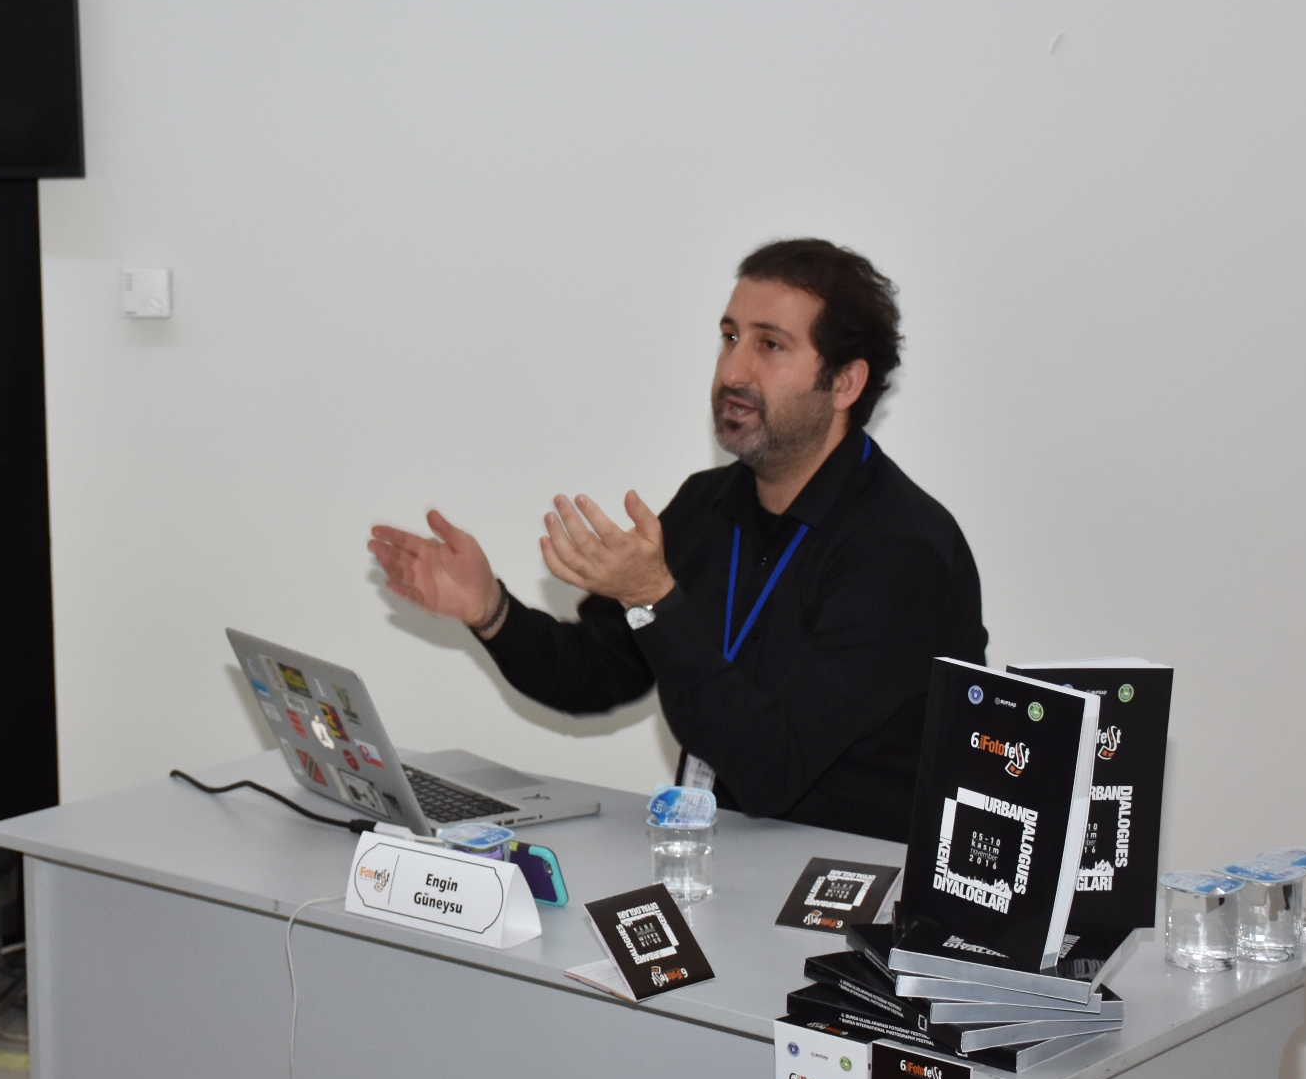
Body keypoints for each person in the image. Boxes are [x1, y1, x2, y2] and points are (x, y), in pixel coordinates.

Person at [367, 239, 987, 843]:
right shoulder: (708, 504)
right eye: (730, 337)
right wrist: (490, 610)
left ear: (845, 382)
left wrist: (654, 599)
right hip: (723, 860)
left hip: (851, 886)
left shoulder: (900, 554)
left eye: (770, 344)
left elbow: (771, 769)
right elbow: (596, 672)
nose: (733, 371)